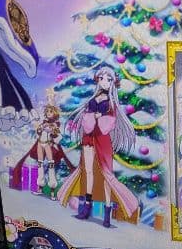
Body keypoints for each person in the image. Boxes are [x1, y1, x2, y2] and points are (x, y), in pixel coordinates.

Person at [57, 65, 140, 227]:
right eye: (101, 78)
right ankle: (86, 208)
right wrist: (91, 117)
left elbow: (109, 123)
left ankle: (107, 213)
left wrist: (99, 117)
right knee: (87, 171)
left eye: (108, 79)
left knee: (106, 175)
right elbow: (86, 118)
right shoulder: (93, 99)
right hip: (89, 137)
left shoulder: (111, 104)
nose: (104, 82)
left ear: (113, 82)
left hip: (102, 140)